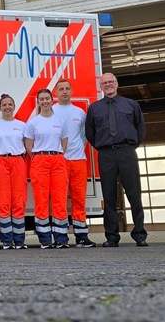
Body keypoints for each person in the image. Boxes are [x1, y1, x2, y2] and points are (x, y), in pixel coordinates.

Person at [85, 73, 148, 247]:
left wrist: (130, 147)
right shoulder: (94, 109)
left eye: (110, 82)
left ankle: (140, 234)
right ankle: (112, 237)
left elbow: (140, 128)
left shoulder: (131, 104)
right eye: (104, 83)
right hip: (106, 154)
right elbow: (90, 133)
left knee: (134, 194)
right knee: (109, 196)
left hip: (127, 152)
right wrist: (104, 148)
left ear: (117, 84)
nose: (108, 85)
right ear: (101, 86)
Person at [52, 80, 96, 248]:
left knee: (79, 199)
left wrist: (76, 148)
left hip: (78, 160)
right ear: (55, 92)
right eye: (61, 89)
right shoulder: (51, 111)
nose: (64, 92)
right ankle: (61, 237)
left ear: (71, 91)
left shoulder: (79, 112)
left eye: (67, 89)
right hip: (59, 161)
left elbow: (84, 136)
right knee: (59, 199)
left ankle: (81, 236)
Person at [25, 88, 70, 249]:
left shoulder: (60, 121)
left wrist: (56, 155)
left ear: (52, 100)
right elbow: (29, 146)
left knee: (59, 199)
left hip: (58, 159)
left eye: (47, 99)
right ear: (38, 102)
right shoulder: (33, 123)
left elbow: (64, 143)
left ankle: (61, 238)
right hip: (40, 160)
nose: (44, 102)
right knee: (41, 200)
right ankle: (45, 239)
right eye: (41, 99)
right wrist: (40, 157)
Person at [0, 94, 29, 250]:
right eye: (4, 105)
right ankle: (7, 240)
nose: (7, 107)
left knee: (19, 200)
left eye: (10, 104)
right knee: (3, 201)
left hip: (18, 160)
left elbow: (27, 143)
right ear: (0, 107)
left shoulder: (22, 125)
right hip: (1, 161)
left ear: (14, 106)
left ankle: (19, 240)